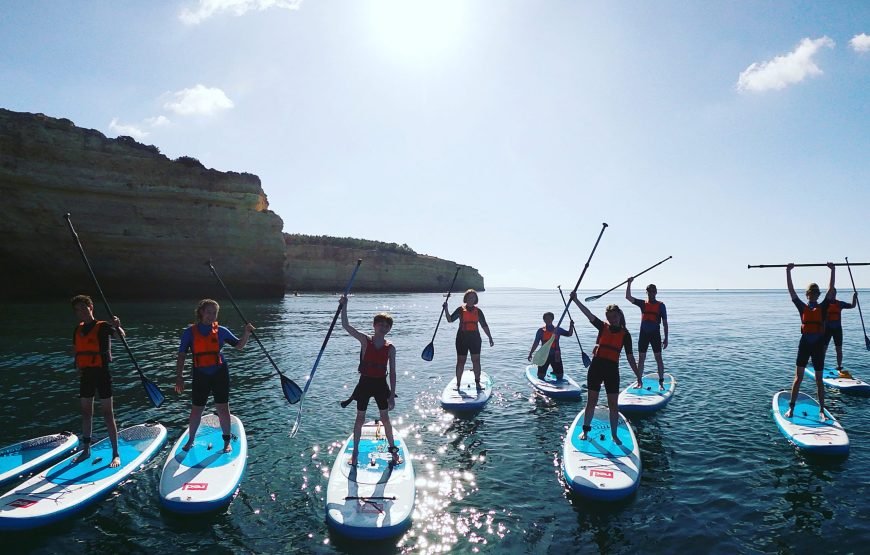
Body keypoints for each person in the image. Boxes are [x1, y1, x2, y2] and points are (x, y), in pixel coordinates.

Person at [175, 299, 253, 453]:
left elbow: (239, 346)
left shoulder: (221, 331)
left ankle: (226, 442)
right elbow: (182, 355)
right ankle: (191, 439)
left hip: (220, 373)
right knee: (196, 409)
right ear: (201, 312)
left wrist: (246, 333)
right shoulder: (189, 333)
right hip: (200, 374)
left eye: (215, 313)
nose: (212, 316)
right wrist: (179, 376)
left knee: (223, 408)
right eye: (209, 312)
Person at [569, 292, 641, 445]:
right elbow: (588, 314)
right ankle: (585, 430)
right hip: (596, 367)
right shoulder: (602, 327)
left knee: (613, 405)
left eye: (614, 316)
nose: (612, 319)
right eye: (609, 317)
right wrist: (575, 300)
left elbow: (630, 357)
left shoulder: (625, 335)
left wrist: (638, 375)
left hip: (612, 371)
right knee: (591, 402)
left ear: (620, 316)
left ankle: (614, 435)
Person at [339, 294, 400, 466]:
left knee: (385, 418)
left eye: (386, 325)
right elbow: (346, 326)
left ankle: (393, 449)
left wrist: (392, 395)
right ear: (374, 325)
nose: (383, 327)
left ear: (389, 329)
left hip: (381, 384)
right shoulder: (365, 340)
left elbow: (393, 372)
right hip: (365, 383)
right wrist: (344, 306)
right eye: (380, 324)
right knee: (360, 418)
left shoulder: (391, 348)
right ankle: (356, 452)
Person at [71, 294, 124, 467]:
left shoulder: (103, 327)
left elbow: (120, 337)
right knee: (86, 413)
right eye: (78, 310)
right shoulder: (77, 329)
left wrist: (118, 326)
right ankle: (86, 450)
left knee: (108, 414)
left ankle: (115, 454)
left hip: (102, 373)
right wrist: (78, 369)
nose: (81, 312)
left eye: (84, 308)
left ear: (91, 307)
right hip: (86, 375)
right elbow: (76, 352)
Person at [785, 262, 835, 421]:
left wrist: (833, 270)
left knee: (819, 380)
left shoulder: (823, 306)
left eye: (815, 292)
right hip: (805, 344)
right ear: (807, 294)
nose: (813, 295)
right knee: (798, 377)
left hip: (818, 346)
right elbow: (791, 291)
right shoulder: (802, 307)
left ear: (818, 295)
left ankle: (821, 410)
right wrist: (788, 271)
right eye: (810, 292)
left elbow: (831, 288)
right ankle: (791, 409)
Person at [443, 289, 494, 391]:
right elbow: (450, 320)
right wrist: (446, 309)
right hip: (462, 338)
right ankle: (458, 385)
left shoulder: (478, 311)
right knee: (461, 361)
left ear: (475, 299)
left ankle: (477, 383)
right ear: (465, 298)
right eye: (469, 297)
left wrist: (490, 337)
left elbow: (484, 325)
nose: (471, 299)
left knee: (476, 361)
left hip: (475, 338)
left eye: (473, 297)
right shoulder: (460, 310)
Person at [626, 278, 668, 390]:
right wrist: (629, 283)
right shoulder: (643, 304)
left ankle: (661, 383)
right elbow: (628, 297)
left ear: (656, 292)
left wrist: (666, 338)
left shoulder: (661, 306)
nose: (651, 293)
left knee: (658, 358)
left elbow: (665, 323)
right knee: (641, 358)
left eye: (653, 291)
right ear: (647, 292)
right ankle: (639, 382)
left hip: (655, 334)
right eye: (649, 291)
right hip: (643, 334)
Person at [527, 312, 574, 380]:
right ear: (544, 320)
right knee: (541, 375)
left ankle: (555, 372)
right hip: (543, 355)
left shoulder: (558, 329)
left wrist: (571, 326)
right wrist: (530, 353)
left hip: (556, 355)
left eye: (549, 318)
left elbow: (569, 334)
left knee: (560, 376)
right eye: (546, 318)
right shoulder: (541, 331)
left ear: (552, 319)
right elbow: (536, 343)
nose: (548, 320)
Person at [823, 287, 858, 376]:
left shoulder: (840, 304)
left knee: (839, 349)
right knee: (824, 348)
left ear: (835, 294)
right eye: (830, 293)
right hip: (827, 330)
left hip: (837, 329)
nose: (832, 295)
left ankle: (839, 366)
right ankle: (820, 364)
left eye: (833, 293)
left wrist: (854, 297)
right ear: (828, 294)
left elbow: (852, 306)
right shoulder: (824, 305)